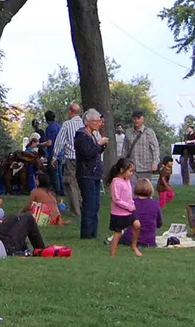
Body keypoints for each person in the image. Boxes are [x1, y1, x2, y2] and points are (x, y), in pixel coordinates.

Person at [74, 108, 108, 240]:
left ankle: (93, 232)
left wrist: (102, 145)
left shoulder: (92, 134)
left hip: (94, 173)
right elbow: (87, 154)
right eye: (96, 121)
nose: (99, 123)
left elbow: (95, 152)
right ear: (88, 122)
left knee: (96, 204)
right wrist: (99, 144)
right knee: (89, 204)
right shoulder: (82, 135)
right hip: (86, 173)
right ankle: (87, 234)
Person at [51, 103, 84, 220]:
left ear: (70, 111)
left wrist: (54, 156)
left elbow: (60, 141)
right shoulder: (85, 124)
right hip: (84, 158)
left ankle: (75, 211)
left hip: (71, 158)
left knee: (70, 184)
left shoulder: (67, 124)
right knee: (81, 184)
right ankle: (82, 206)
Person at [106, 158, 141, 257]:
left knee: (137, 225)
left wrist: (132, 204)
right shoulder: (116, 182)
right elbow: (116, 199)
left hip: (129, 211)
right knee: (118, 233)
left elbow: (129, 196)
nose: (131, 174)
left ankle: (133, 246)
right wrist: (128, 206)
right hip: (119, 213)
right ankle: (112, 254)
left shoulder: (127, 181)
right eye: (130, 171)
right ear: (122, 170)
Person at [121, 109, 161, 186]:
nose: (136, 120)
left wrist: (155, 163)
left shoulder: (149, 132)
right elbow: (124, 150)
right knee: (132, 192)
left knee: (144, 191)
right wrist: (122, 164)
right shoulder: (128, 132)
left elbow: (155, 149)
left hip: (146, 167)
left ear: (143, 119)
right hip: (132, 168)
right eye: (134, 118)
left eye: (138, 118)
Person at [119, 178, 162, 250]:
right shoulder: (155, 204)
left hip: (130, 239)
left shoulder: (131, 203)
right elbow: (159, 223)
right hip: (149, 241)